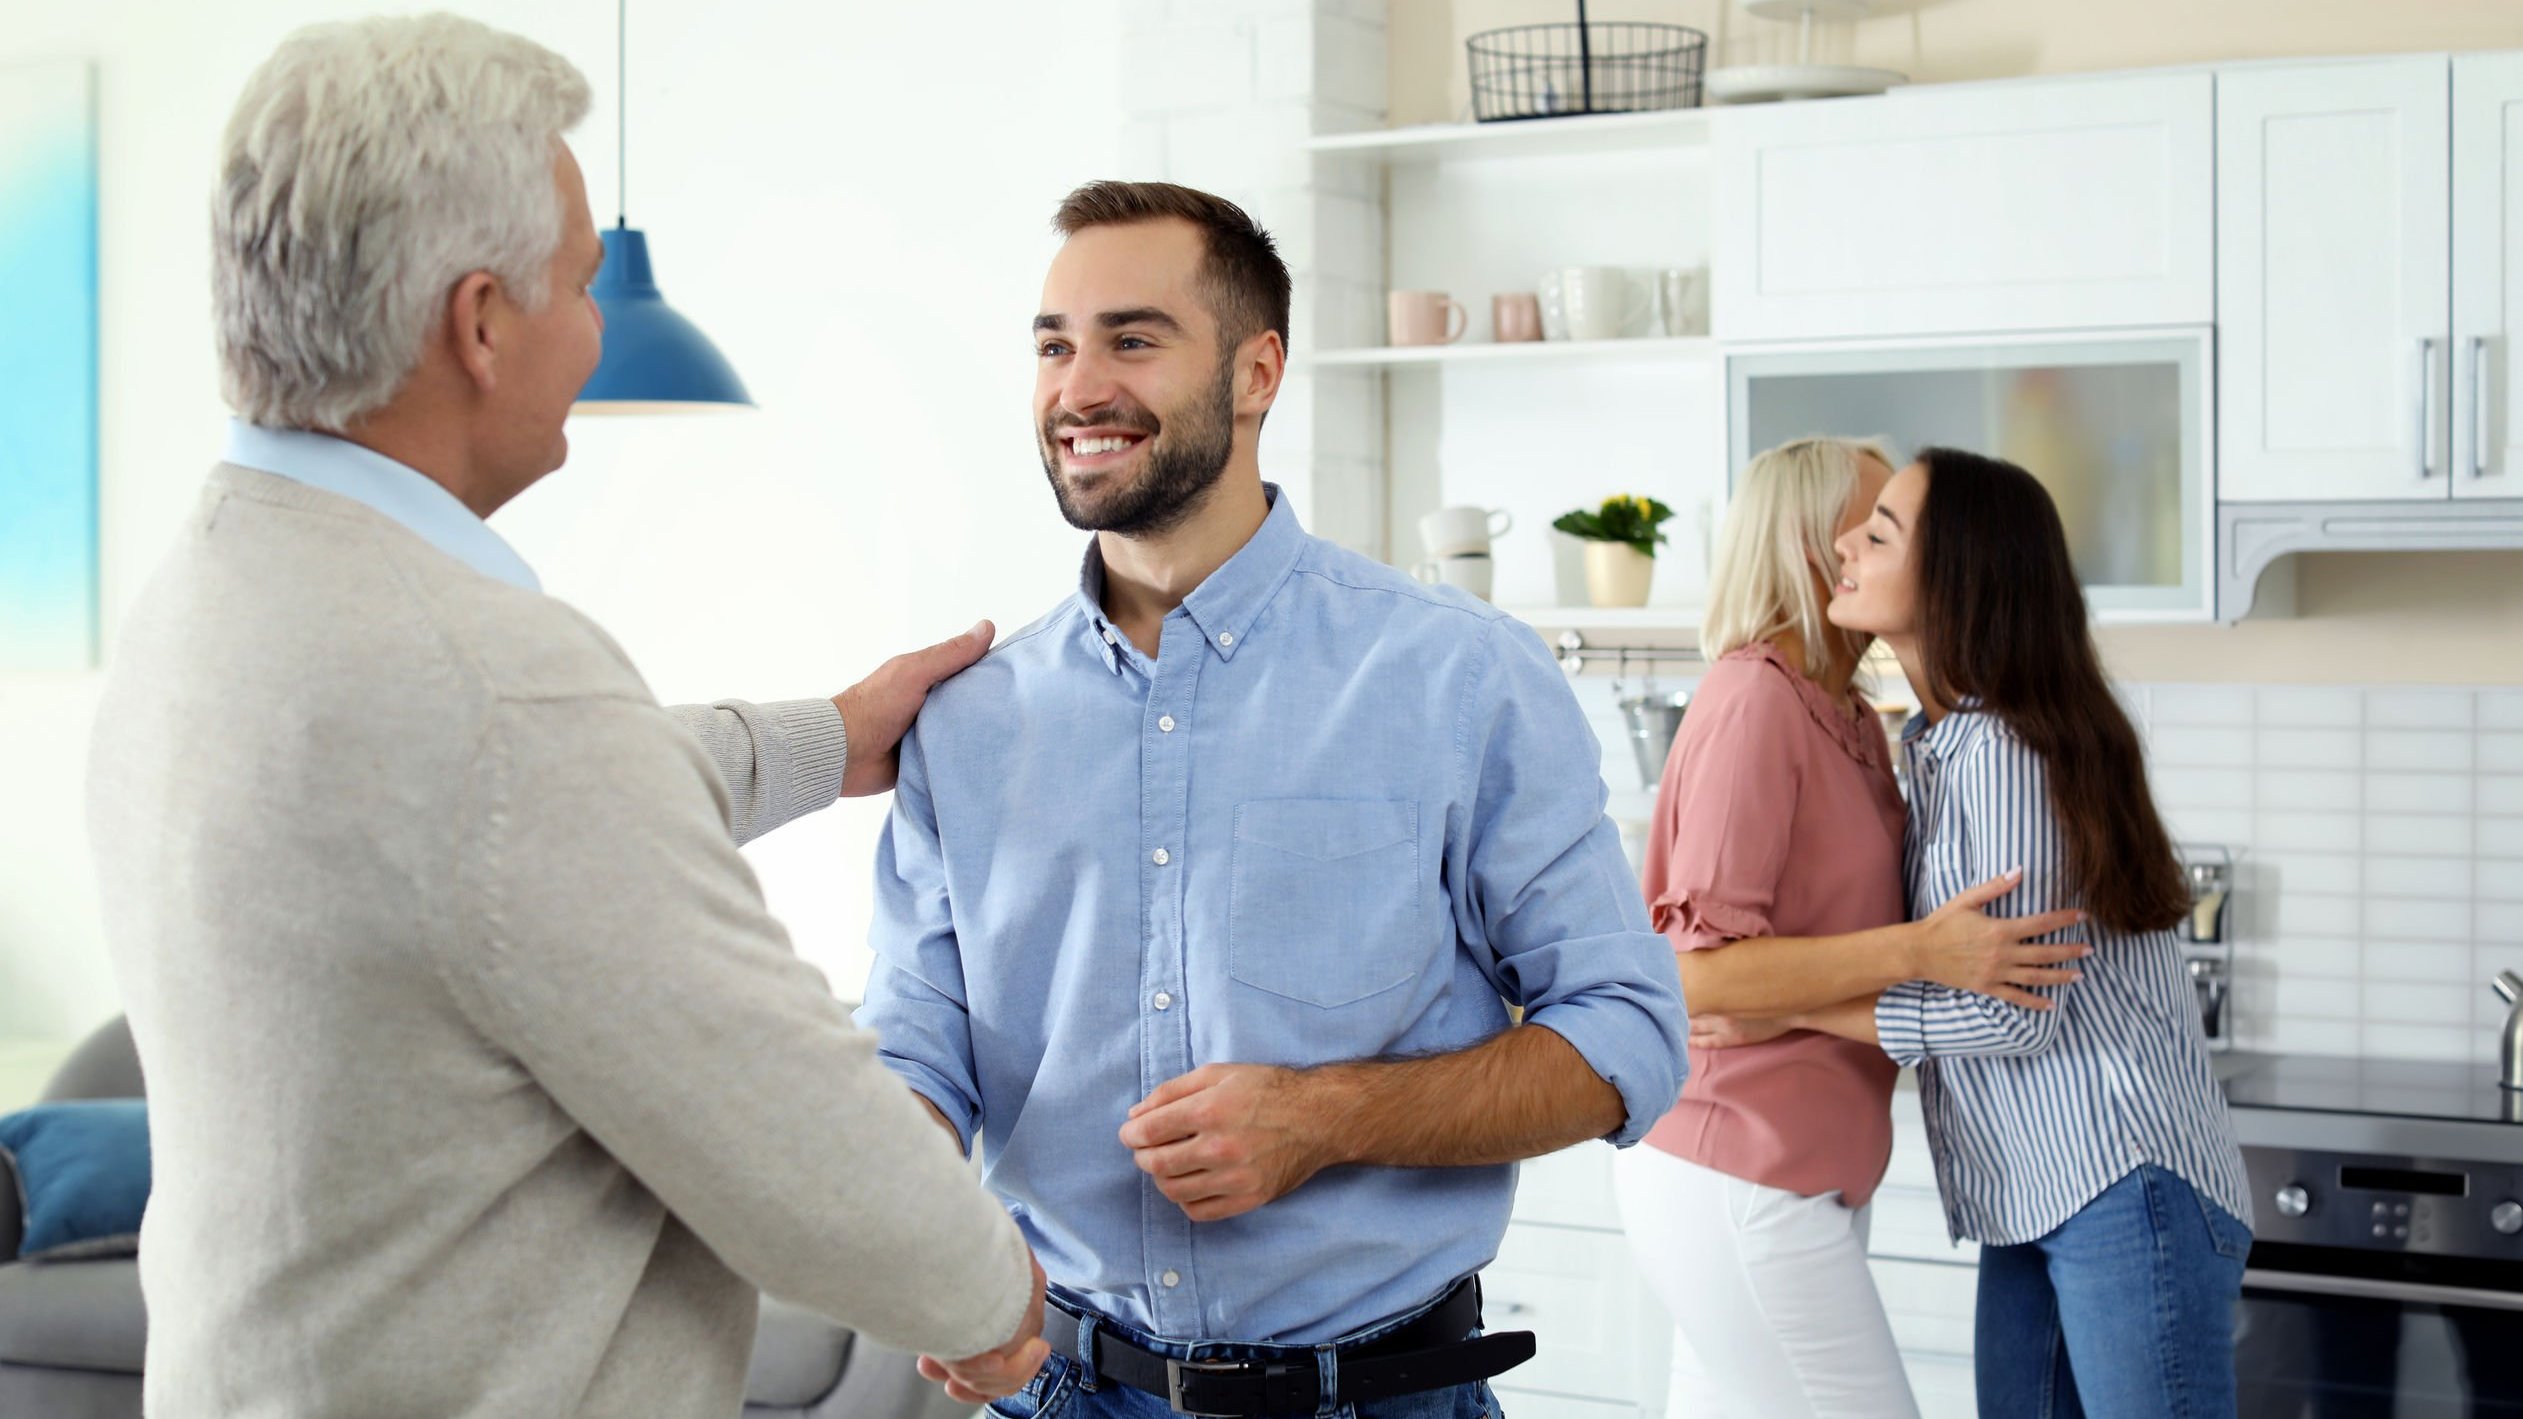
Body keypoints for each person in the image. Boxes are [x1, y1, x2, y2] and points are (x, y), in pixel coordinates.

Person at [87, 16, 1044, 1416]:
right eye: (582, 284)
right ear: (478, 323)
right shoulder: (495, 694)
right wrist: (994, 1297)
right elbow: (806, 1142)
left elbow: (477, 829)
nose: (596, 333)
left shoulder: (211, 597)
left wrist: (823, 737)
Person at [855, 180, 1688, 1419]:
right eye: (1053, 345)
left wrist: (1329, 1116)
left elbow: (1629, 1035)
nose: (1080, 388)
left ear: (1257, 373)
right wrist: (930, 1251)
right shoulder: (969, 720)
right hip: (1070, 1394)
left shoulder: (1455, 676)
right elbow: (914, 1049)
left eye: (1132, 340)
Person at [1717, 445, 2253, 1418]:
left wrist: (1789, 1012)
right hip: (2040, 1192)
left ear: (1956, 574)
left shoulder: (2002, 748)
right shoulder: (1939, 745)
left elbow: (2013, 1019)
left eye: (1879, 531)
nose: (1847, 542)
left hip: (2123, 1184)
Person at [1610, 436, 2093, 1419]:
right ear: (1817, 546)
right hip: (1738, 1166)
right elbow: (1697, 977)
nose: (1884, 545)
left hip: (1797, 1167)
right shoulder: (1754, 701)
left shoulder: (1853, 717)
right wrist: (1923, 954)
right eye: (1874, 522)